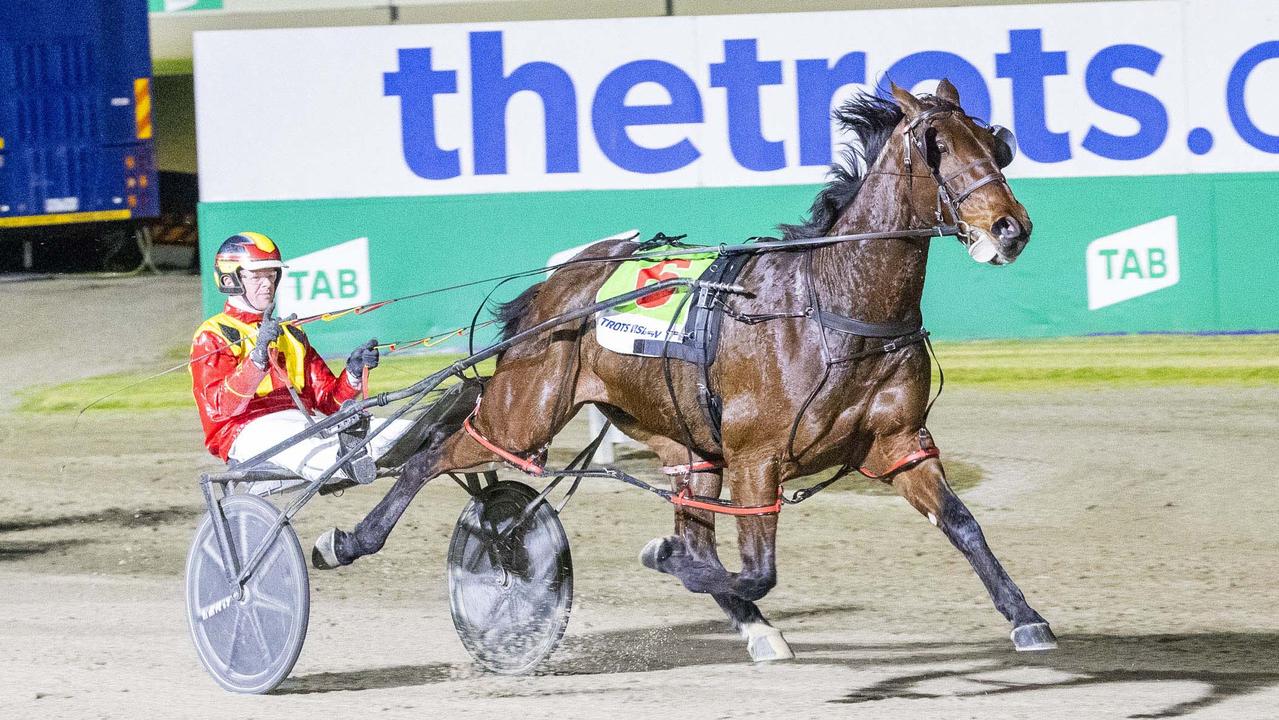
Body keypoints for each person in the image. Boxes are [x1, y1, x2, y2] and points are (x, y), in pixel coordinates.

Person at [189, 231, 408, 495]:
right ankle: (347, 459)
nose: (267, 284)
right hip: (245, 431)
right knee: (312, 447)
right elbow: (220, 408)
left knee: (399, 430)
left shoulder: (292, 333)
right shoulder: (213, 334)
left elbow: (328, 402)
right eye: (257, 276)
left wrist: (352, 373)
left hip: (303, 422)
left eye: (271, 276)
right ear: (230, 279)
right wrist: (257, 359)